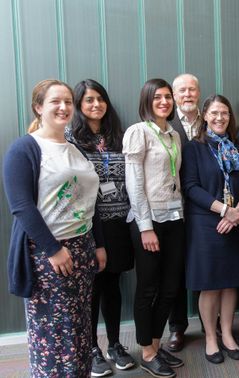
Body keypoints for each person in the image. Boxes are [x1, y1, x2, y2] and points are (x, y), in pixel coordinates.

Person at [3, 79, 106, 377]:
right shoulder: (25, 149)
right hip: (48, 254)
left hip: (82, 249)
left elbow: (90, 201)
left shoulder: (75, 149)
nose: (64, 107)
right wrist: (54, 249)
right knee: (54, 334)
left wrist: (97, 244)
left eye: (68, 102)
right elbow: (22, 206)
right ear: (38, 107)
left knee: (79, 328)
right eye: (55, 102)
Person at [182, 94, 239, 364]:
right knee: (211, 284)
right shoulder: (194, 148)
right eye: (214, 113)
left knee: (230, 282)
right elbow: (191, 187)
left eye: (224, 113)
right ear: (205, 116)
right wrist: (224, 210)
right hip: (206, 223)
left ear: (230, 116)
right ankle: (211, 338)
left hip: (237, 221)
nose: (219, 118)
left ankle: (227, 333)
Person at [67, 79, 136, 376]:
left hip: (120, 223)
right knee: (92, 288)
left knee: (114, 286)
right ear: (79, 106)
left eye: (100, 99)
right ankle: (92, 348)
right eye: (89, 100)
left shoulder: (119, 136)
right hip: (91, 227)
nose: (96, 105)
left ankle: (115, 344)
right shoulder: (71, 140)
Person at [123, 78, 185, 378]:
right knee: (147, 288)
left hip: (174, 219)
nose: (164, 101)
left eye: (168, 97)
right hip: (148, 223)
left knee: (171, 287)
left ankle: (156, 344)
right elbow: (134, 184)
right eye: (157, 97)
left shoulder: (173, 134)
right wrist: (145, 227)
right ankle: (146, 351)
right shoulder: (138, 132)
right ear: (147, 100)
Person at [166, 73, 204, 353]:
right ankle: (177, 327)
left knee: (205, 264)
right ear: (174, 95)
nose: (187, 94)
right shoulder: (164, 124)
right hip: (173, 208)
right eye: (182, 90)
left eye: (192, 89)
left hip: (205, 206)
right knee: (174, 269)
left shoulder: (213, 118)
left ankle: (209, 322)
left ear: (199, 92)